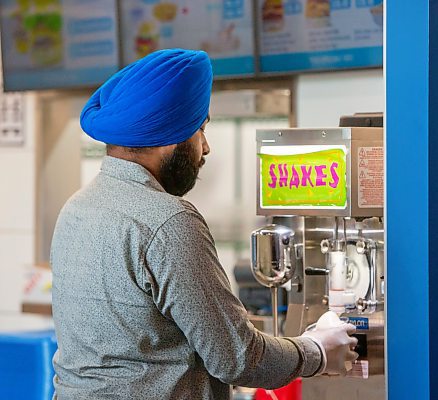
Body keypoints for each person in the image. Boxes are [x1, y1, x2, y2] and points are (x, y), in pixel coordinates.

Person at [50, 49, 358, 400]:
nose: (206, 147)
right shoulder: (168, 221)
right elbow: (239, 359)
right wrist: (317, 351)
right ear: (170, 134)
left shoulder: (76, 208)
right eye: (200, 129)